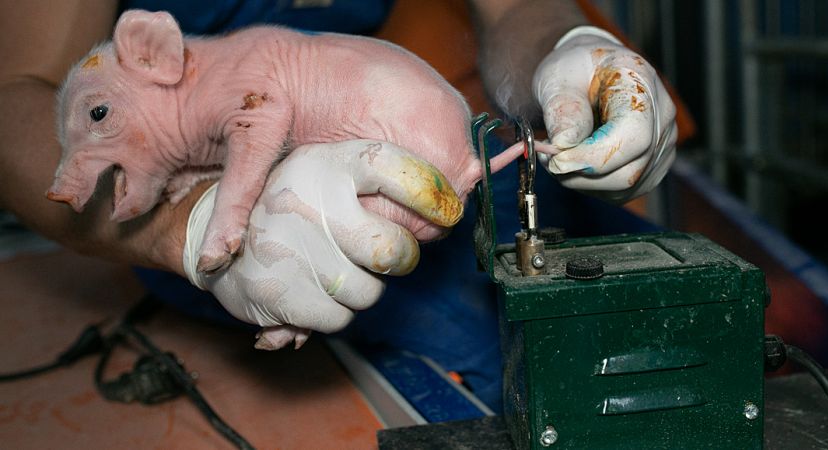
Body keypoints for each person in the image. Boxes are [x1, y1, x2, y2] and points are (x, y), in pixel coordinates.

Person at [0, 0, 676, 412]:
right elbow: (15, 91)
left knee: (658, 302)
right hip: (240, 189)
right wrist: (197, 223)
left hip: (389, 144)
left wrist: (566, 55)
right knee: (536, 353)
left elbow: (516, 7)